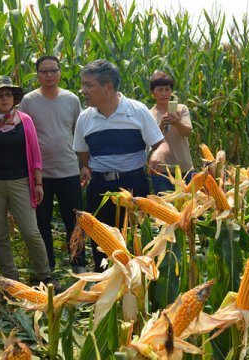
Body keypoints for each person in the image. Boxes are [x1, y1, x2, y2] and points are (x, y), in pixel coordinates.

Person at [73, 59, 168, 271]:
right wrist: (88, 167)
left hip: (133, 185)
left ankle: (137, 290)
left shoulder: (137, 111)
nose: (83, 90)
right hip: (100, 188)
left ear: (108, 86)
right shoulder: (84, 118)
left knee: (136, 241)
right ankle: (106, 288)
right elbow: (82, 152)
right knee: (102, 244)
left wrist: (158, 155)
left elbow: (160, 144)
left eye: (89, 85)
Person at [0, 75, 54, 286]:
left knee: (31, 232)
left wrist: (38, 183)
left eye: (8, 95)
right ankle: (11, 280)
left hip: (20, 182)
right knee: (0, 235)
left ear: (14, 98)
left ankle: (45, 275)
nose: (5, 99)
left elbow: (35, 153)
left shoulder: (24, 120)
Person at [20, 55, 87, 274]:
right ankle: (47, 267)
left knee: (75, 220)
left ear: (60, 72)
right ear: (37, 75)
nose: (49, 75)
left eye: (53, 71)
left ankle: (79, 265)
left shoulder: (71, 99)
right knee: (42, 223)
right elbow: (23, 136)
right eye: (44, 71)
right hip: (41, 175)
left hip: (69, 169)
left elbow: (80, 133)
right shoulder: (28, 101)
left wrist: (85, 165)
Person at [148, 71, 194, 193]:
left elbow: (187, 132)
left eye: (167, 89)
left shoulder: (181, 109)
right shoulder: (149, 114)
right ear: (152, 93)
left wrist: (176, 122)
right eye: (160, 90)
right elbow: (150, 142)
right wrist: (161, 124)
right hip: (162, 172)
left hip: (185, 169)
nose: (164, 93)